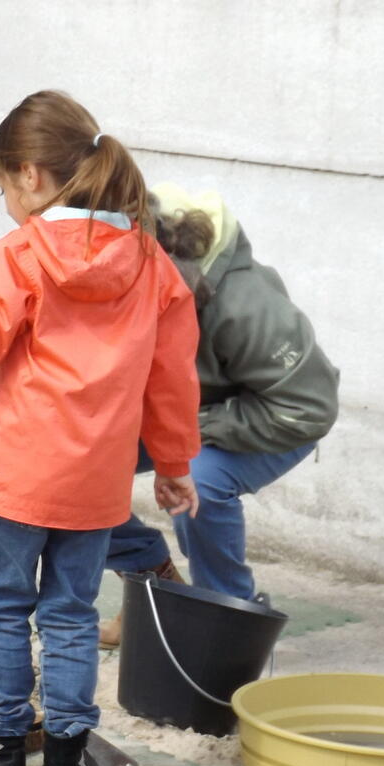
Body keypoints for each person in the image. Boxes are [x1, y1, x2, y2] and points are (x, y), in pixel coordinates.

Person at [0, 90, 200, 766]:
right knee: (71, 615)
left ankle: (3, 746)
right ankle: (67, 756)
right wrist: (173, 464)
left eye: (3, 184)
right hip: (97, 481)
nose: (7, 199)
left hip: (20, 474)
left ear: (31, 175)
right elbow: (171, 378)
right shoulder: (150, 262)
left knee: (4, 609)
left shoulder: (20, 255)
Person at [99, 184, 341, 645]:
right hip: (178, 407)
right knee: (68, 464)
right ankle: (153, 591)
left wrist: (184, 436)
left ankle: (227, 624)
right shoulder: (109, 269)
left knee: (199, 485)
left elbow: (309, 407)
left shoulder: (244, 303)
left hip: (273, 416)